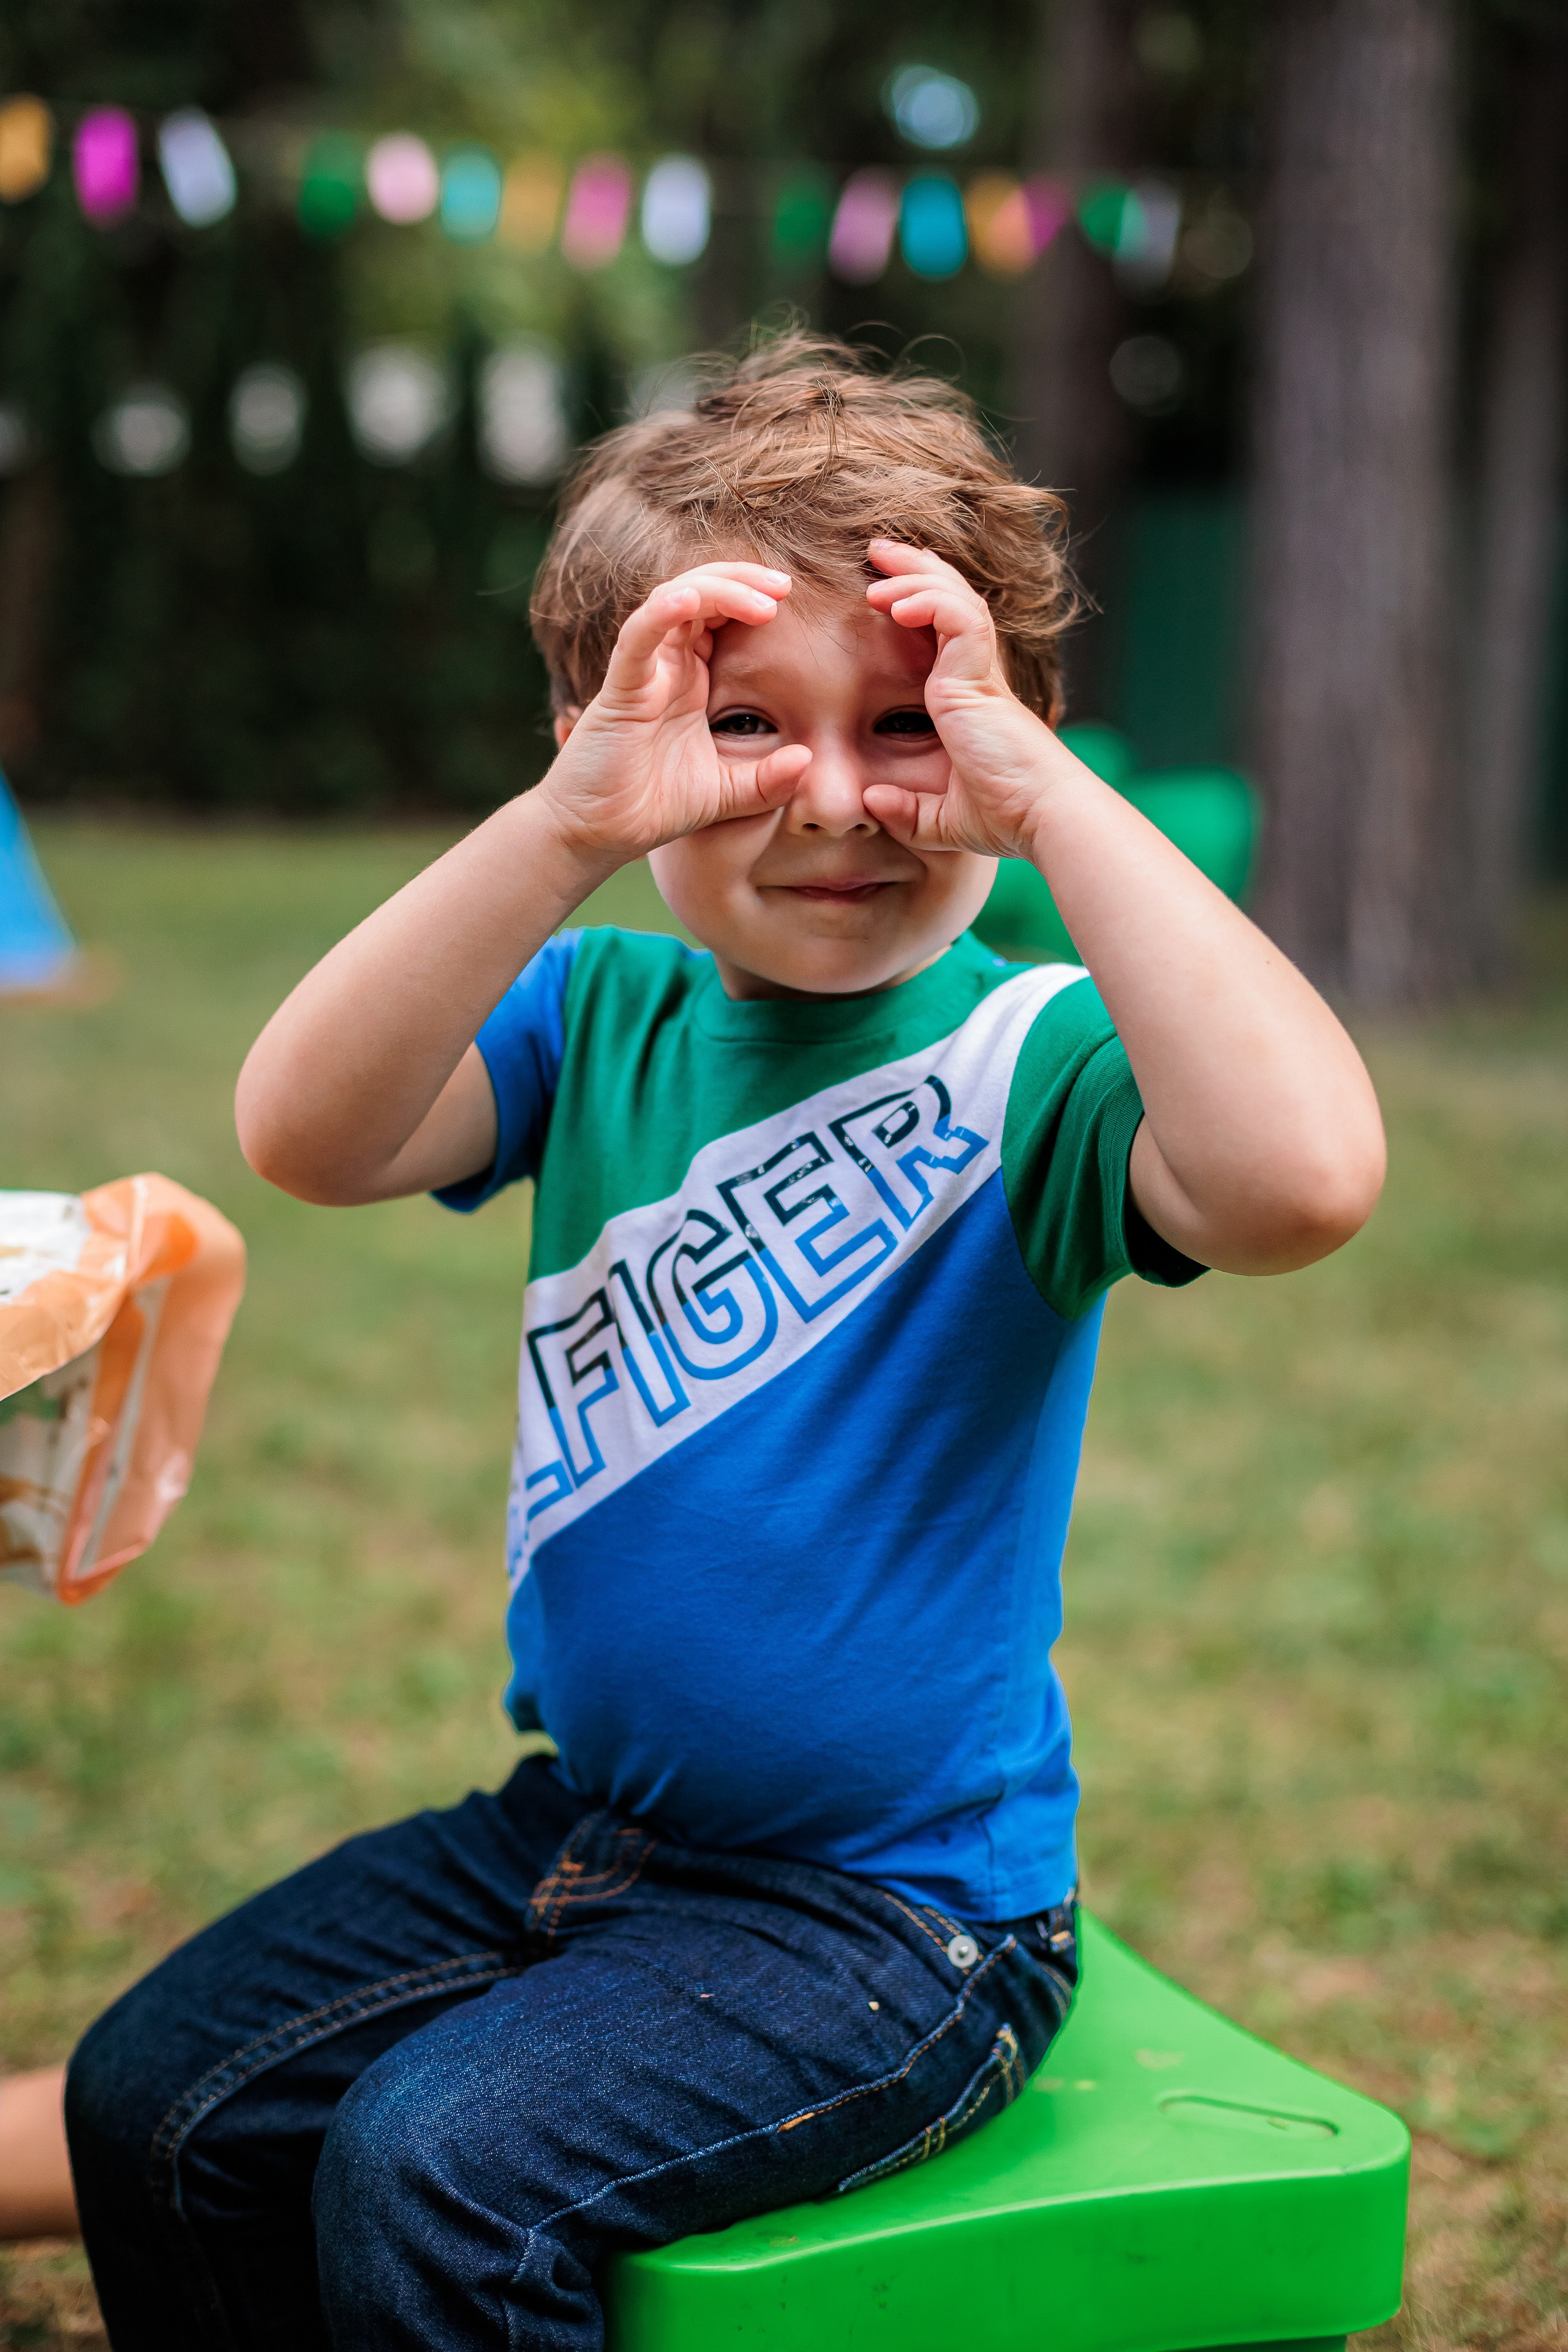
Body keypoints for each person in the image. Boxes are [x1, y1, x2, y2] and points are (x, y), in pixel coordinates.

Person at [58, 335, 1385, 2350]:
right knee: (150, 2098)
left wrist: (1052, 800)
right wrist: (562, 827)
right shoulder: (598, 1015)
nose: (838, 802)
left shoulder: (1036, 1070)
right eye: (751, 723)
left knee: (438, 2171)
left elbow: (1301, 1181)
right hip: (592, 1842)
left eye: (913, 724)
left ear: (1007, 731)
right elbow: (305, 1135)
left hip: (899, 1925)